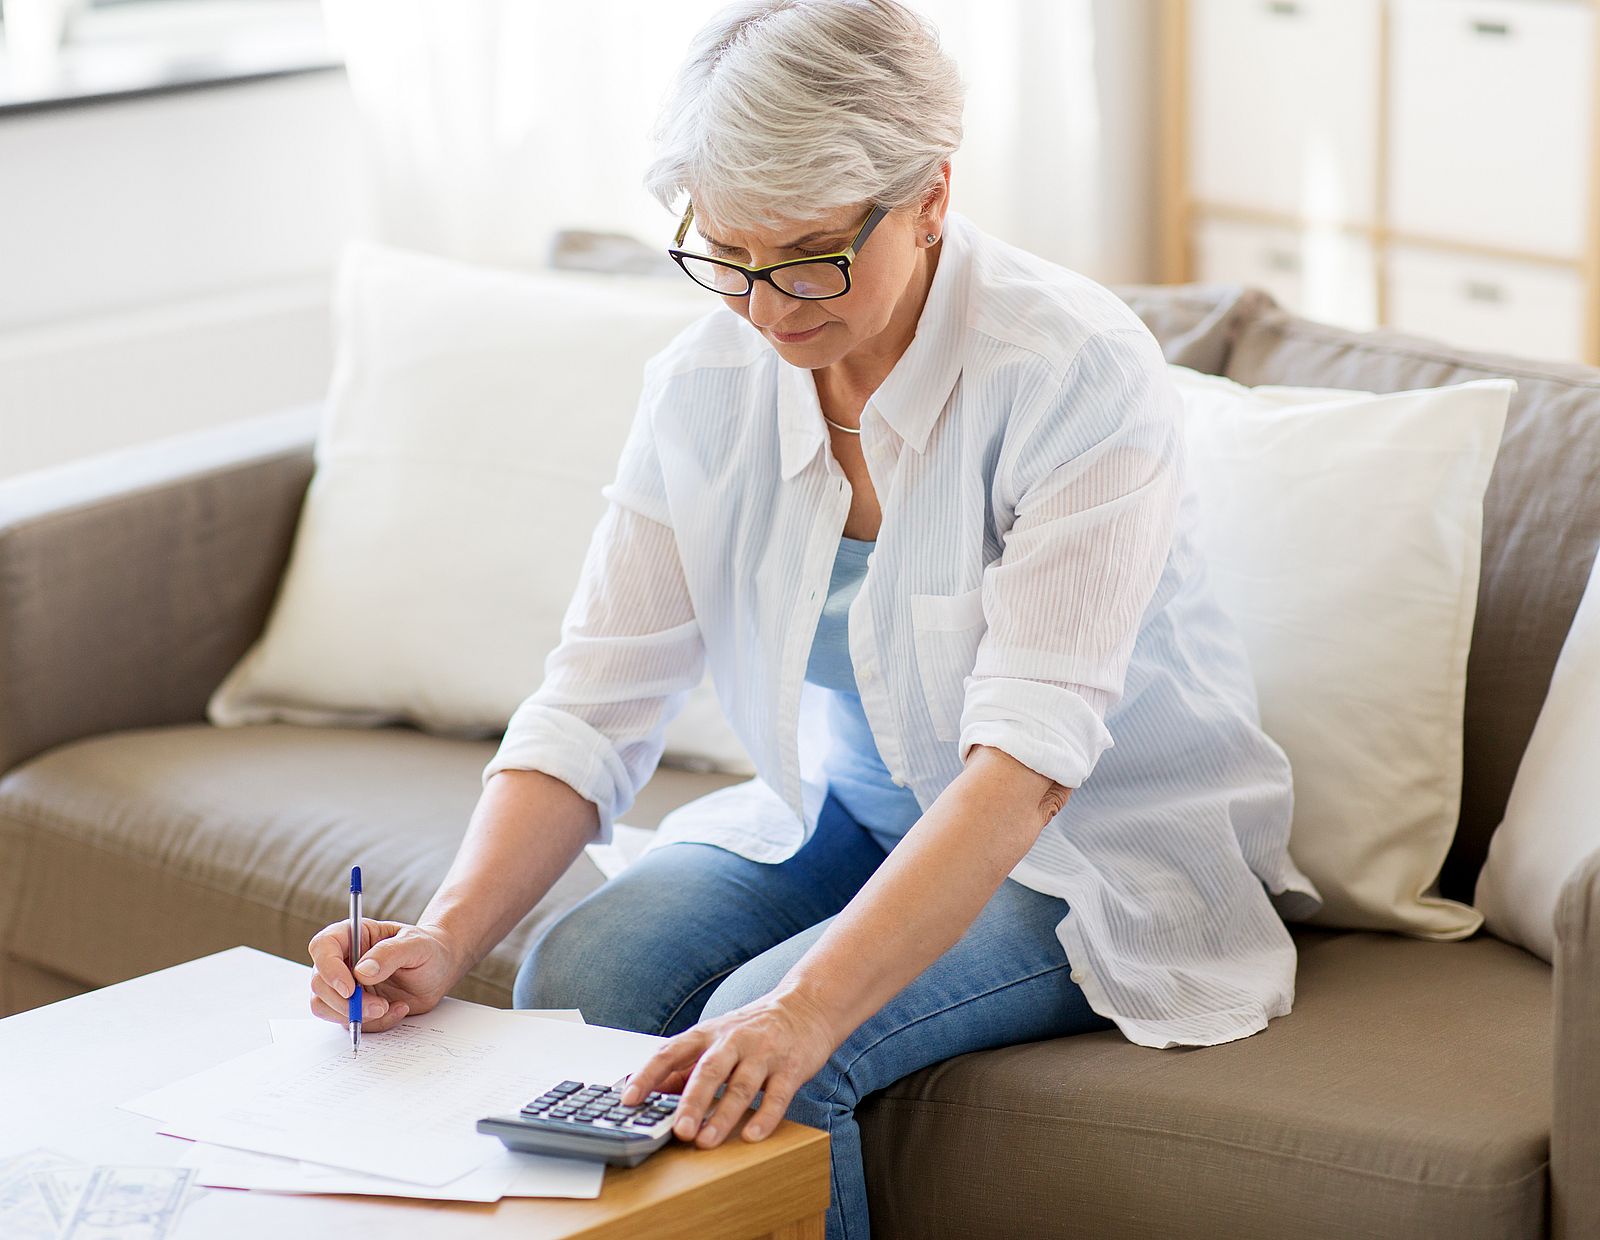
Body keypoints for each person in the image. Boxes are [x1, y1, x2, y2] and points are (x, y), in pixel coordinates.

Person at [307, 2, 1322, 1235]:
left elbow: (1027, 769)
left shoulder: (1069, 372)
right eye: (729, 256)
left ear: (931, 196)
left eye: (809, 255)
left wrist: (801, 1010)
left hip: (1084, 849)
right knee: (581, 972)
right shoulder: (705, 383)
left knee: (761, 1052)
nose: (771, 308)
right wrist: (449, 931)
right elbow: (595, 696)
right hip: (852, 810)